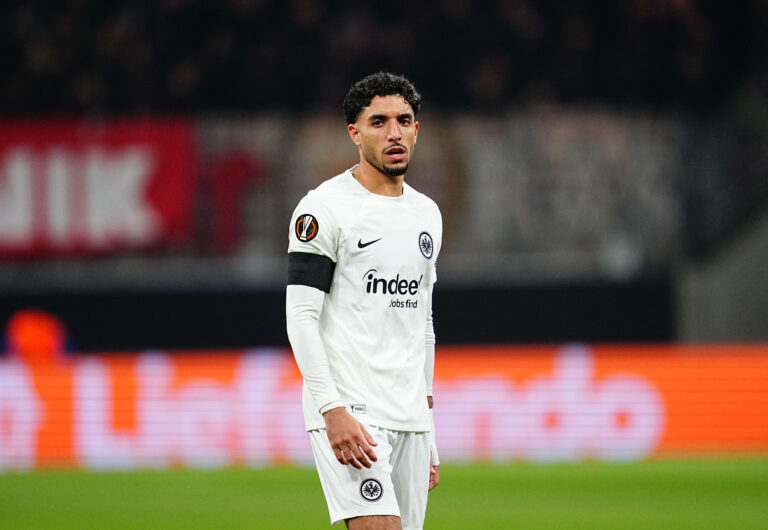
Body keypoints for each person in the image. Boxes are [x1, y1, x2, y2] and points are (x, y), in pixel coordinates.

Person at [285, 72, 442, 530]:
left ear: (417, 128)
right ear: (354, 133)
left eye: (404, 120)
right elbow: (301, 315)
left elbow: (423, 323)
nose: (394, 133)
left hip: (409, 413)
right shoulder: (324, 208)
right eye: (378, 122)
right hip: (352, 409)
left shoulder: (426, 213)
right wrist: (331, 409)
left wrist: (426, 422)